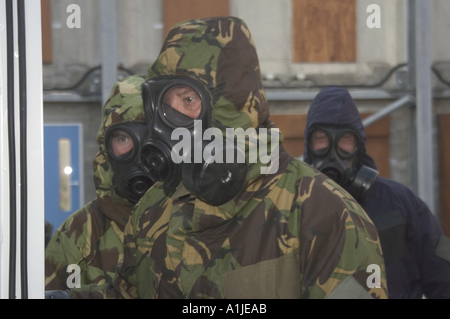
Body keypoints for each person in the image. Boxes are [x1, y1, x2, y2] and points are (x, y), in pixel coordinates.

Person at [70, 16, 387, 299]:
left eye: (188, 98)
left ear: (229, 106)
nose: (171, 118)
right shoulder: (154, 208)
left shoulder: (324, 214)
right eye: (163, 103)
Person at [302, 86, 450, 299]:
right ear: (309, 146)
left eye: (345, 139)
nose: (333, 152)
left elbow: (444, 273)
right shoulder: (293, 210)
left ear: (358, 146)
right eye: (321, 138)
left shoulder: (401, 203)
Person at [45, 75, 154, 290]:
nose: (137, 152)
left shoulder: (201, 221)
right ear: (106, 147)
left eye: (150, 137)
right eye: (123, 138)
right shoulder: (80, 231)